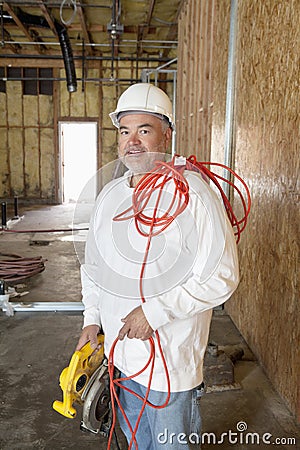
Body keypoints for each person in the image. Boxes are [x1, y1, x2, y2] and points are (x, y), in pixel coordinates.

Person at [76, 83, 239, 449]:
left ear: (167, 134)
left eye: (144, 131)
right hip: (121, 358)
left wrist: (155, 313)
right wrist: (91, 318)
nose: (132, 141)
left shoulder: (193, 194)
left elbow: (222, 275)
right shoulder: (110, 195)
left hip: (170, 361)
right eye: (124, 131)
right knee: (136, 444)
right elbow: (94, 265)